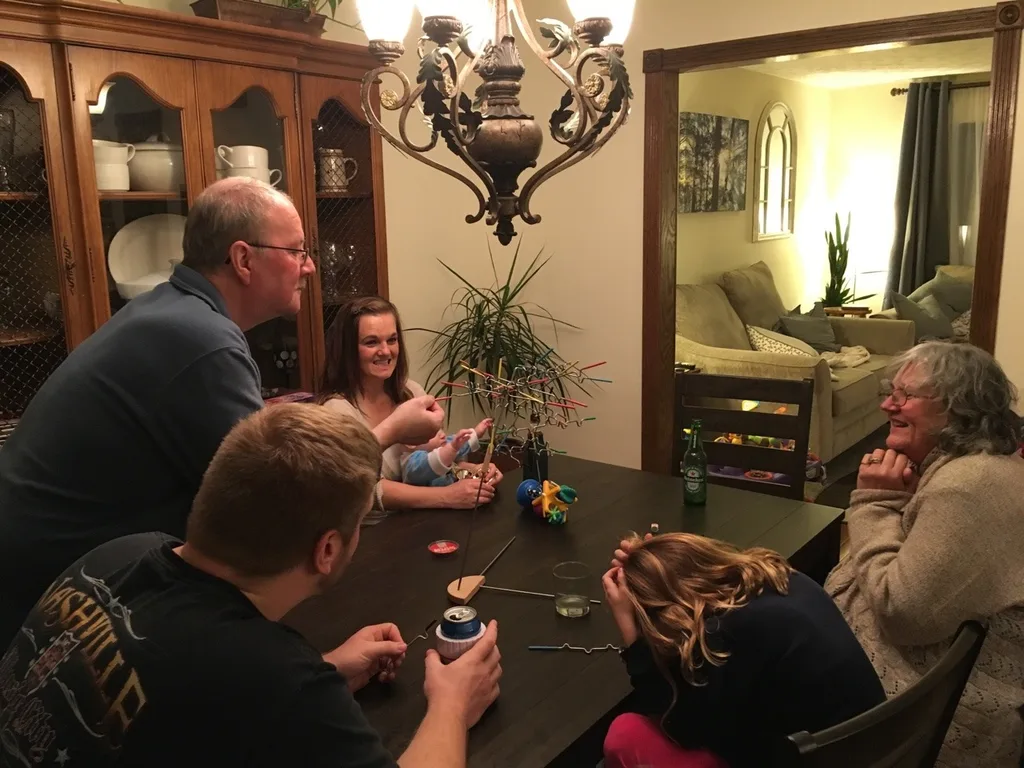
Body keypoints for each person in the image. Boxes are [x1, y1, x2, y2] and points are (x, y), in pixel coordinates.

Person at [0, 178, 444, 649]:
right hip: (55, 604)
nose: (310, 266)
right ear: (243, 260)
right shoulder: (203, 341)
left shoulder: (179, 315)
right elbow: (275, 494)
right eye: (296, 251)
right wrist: (393, 429)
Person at [0, 403, 501, 768]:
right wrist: (453, 705)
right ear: (326, 551)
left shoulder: (121, 552)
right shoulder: (276, 678)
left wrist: (324, 668)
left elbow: (169, 685)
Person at [824, 341, 1024, 768]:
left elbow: (902, 612)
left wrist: (875, 502)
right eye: (889, 391)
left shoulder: (968, 487)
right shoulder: (971, 465)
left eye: (904, 396)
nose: (886, 404)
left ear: (956, 407)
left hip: (932, 716)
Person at [601, 532, 885, 768]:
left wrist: (631, 632)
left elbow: (680, 727)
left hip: (814, 757)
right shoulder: (784, 577)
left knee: (624, 733)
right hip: (878, 742)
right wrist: (659, 558)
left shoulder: (726, 633)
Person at [319, 296, 503, 518]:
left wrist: (470, 471)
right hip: (376, 535)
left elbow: (434, 457)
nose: (386, 351)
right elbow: (369, 489)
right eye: (371, 342)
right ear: (349, 350)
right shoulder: (336, 411)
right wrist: (448, 496)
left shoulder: (412, 391)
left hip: (427, 521)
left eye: (392, 340)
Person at [402, 418, 493, 487]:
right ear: (411, 442)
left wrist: (475, 433)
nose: (443, 435)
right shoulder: (412, 463)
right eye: (433, 431)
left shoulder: (442, 447)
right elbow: (433, 461)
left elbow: (454, 443)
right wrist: (452, 448)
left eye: (441, 428)